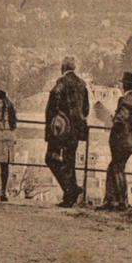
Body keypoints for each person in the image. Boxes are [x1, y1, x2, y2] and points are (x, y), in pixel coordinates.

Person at [44, 57, 90, 208]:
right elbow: (86, 110)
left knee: (51, 158)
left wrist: (52, 127)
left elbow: (52, 106)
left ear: (62, 68)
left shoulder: (61, 83)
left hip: (61, 130)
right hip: (76, 130)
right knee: (70, 161)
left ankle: (70, 190)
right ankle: (69, 196)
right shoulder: (82, 84)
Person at [103, 71, 132, 211]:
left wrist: (114, 119)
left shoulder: (125, 100)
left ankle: (121, 201)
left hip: (121, 141)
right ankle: (112, 201)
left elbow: (121, 119)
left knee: (117, 169)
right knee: (114, 168)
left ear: (125, 85)